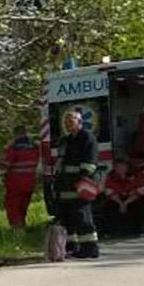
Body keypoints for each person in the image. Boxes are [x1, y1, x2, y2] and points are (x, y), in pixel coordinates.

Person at [53, 109, 101, 259]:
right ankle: (72, 247)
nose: (68, 125)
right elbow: (60, 161)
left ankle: (90, 248)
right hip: (64, 186)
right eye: (66, 122)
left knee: (83, 218)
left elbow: (90, 163)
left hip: (80, 186)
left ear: (80, 122)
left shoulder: (87, 138)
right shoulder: (65, 141)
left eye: (71, 121)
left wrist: (81, 180)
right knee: (67, 218)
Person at [99, 154, 144, 236]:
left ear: (127, 167)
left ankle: (140, 229)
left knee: (142, 204)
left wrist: (126, 203)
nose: (119, 169)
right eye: (117, 167)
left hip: (132, 199)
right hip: (117, 199)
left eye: (122, 166)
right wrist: (120, 203)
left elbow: (139, 192)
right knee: (108, 206)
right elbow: (110, 192)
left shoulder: (137, 175)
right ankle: (111, 231)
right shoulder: (111, 176)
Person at [0, 128, 40, 230]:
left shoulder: (13, 148)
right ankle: (22, 224)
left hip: (15, 182)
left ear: (15, 135)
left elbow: (5, 165)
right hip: (30, 182)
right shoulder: (35, 147)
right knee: (23, 206)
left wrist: (1, 176)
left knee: (13, 206)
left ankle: (17, 229)